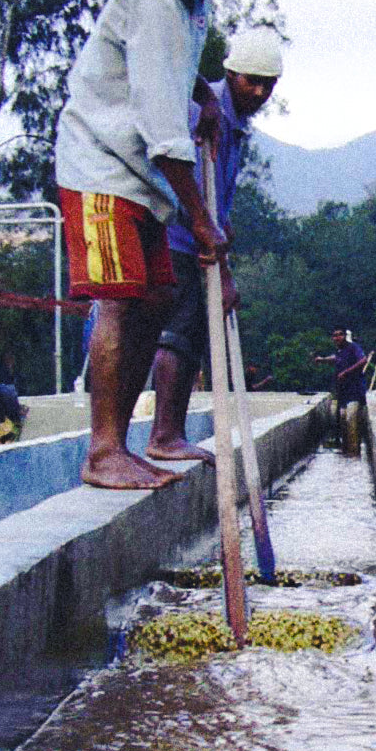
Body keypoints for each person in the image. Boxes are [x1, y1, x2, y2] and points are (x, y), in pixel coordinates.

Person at [55, 0, 233, 489]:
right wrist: (202, 220)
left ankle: (127, 443)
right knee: (122, 300)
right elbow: (164, 136)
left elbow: (166, 70)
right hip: (102, 166)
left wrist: (203, 91)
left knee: (155, 299)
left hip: (138, 177)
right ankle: (104, 451)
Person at [146, 28, 283, 465]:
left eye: (268, 84)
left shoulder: (235, 124)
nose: (259, 91)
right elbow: (181, 177)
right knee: (181, 328)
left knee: (197, 331)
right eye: (250, 81)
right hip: (176, 235)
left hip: (201, 236)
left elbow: (218, 198)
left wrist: (223, 250)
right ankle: (164, 434)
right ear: (229, 72)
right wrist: (211, 241)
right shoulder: (205, 113)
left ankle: (173, 432)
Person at [314, 328, 368, 409]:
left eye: (340, 334)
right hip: (342, 390)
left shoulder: (353, 347)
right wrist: (322, 359)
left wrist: (346, 372)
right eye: (335, 336)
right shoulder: (340, 350)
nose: (338, 337)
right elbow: (336, 358)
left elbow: (363, 360)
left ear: (345, 336)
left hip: (355, 390)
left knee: (350, 416)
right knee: (342, 416)